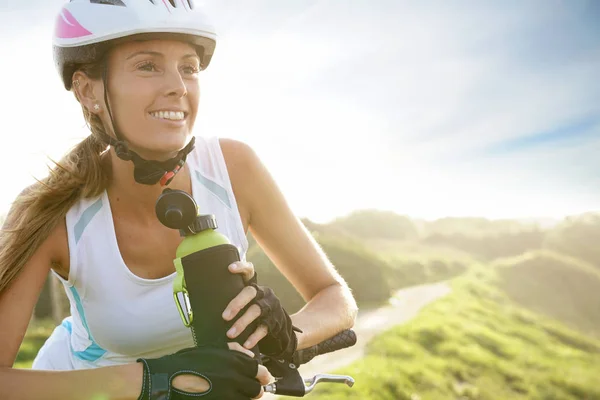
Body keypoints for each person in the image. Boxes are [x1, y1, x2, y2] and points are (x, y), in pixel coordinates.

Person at [0, 1, 358, 399]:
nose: (179, 87)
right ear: (88, 90)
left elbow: (334, 296)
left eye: (189, 68)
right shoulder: (51, 210)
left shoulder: (233, 167)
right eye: (147, 66)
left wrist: (283, 337)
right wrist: (152, 379)